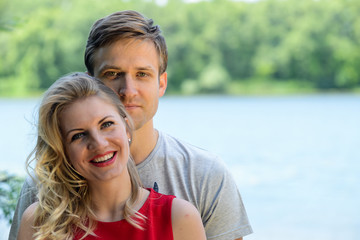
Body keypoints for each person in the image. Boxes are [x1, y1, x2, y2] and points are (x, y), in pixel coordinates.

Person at [10, 10, 252, 240]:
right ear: (90, 82)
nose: (128, 91)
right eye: (113, 74)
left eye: (142, 74)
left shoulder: (205, 176)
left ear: (161, 83)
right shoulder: (46, 185)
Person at [17, 72, 206, 240]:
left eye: (106, 124)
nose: (99, 143)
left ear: (126, 128)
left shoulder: (179, 218)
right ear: (63, 152)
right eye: (78, 135)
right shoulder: (39, 224)